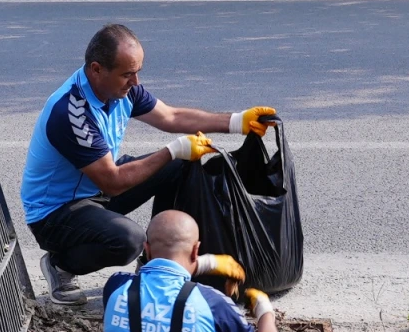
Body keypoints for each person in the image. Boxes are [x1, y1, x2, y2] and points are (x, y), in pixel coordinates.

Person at [20, 23, 276, 305]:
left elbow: (171, 117)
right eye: (127, 74)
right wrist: (171, 151)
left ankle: (159, 265)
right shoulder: (71, 112)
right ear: (96, 69)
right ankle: (61, 265)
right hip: (56, 213)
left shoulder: (122, 89)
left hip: (94, 188)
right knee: (127, 239)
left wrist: (236, 122)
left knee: (181, 165)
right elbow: (113, 182)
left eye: (137, 72)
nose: (136, 83)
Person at [101, 210, 280, 332]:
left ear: (147, 249)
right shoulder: (214, 304)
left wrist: (205, 263)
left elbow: (148, 276)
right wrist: (265, 311)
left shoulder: (116, 287)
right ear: (196, 250)